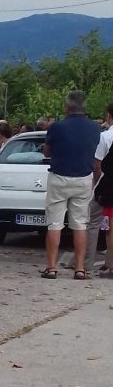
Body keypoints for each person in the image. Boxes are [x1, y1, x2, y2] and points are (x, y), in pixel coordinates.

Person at [41, 91, 99, 280]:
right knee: (80, 224)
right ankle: (80, 268)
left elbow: (48, 151)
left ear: (67, 107)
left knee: (55, 224)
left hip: (59, 177)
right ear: (85, 108)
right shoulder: (95, 128)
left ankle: (51, 267)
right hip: (83, 178)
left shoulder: (57, 127)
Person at [87, 104, 113, 276]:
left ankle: (86, 262)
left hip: (106, 185)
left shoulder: (105, 136)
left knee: (92, 222)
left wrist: (96, 186)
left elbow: (98, 164)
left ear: (109, 116)